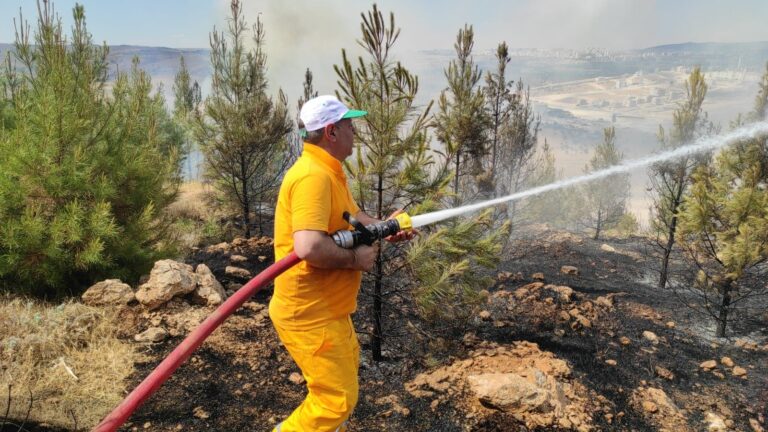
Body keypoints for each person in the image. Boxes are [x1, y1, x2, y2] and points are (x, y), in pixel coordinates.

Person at [270, 95, 414, 431]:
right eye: (349, 124)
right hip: (309, 313)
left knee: (342, 388)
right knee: (334, 401)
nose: (355, 131)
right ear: (332, 132)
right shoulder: (312, 177)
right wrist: (354, 260)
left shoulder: (329, 171)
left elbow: (354, 219)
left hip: (329, 310)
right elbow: (308, 246)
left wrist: (386, 227)